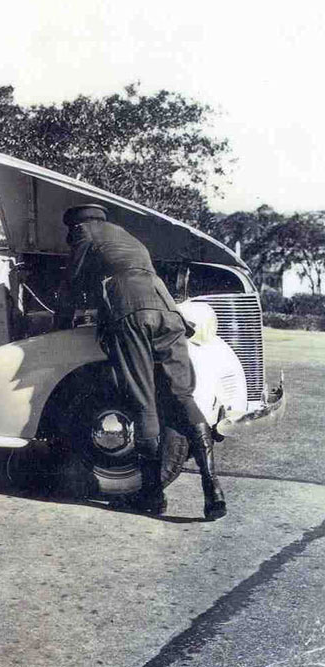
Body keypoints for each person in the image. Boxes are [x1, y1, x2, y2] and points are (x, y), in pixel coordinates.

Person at [56, 203, 226, 519]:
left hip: (130, 311)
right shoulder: (125, 237)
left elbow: (72, 280)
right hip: (168, 311)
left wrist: (60, 319)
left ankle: (152, 496)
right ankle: (213, 488)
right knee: (182, 396)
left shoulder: (85, 232)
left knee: (143, 402)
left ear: (76, 225)